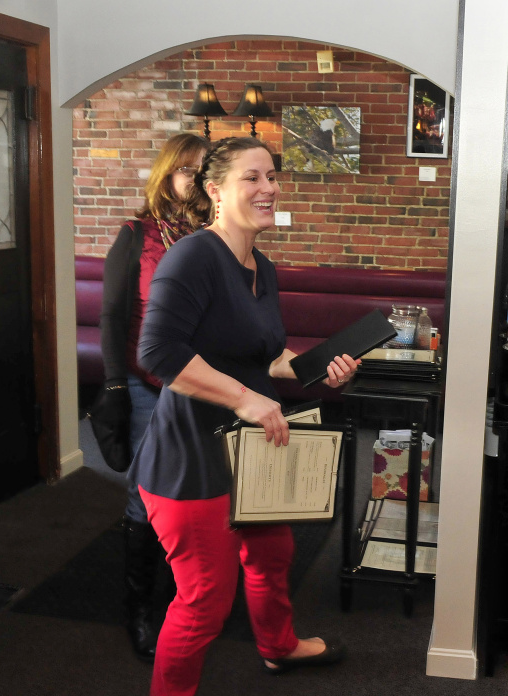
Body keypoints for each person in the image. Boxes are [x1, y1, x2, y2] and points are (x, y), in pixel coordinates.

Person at [130, 137, 357, 695]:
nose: (268, 188)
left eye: (272, 176)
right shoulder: (194, 255)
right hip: (193, 457)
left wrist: (314, 369)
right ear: (215, 190)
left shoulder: (262, 267)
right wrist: (243, 399)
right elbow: (157, 354)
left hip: (250, 449)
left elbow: (263, 356)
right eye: (252, 178)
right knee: (206, 598)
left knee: (272, 552)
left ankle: (279, 646)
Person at [99, 132, 208, 661]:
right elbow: (112, 315)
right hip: (147, 386)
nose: (195, 181)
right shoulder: (136, 234)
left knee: (192, 492)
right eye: (187, 170)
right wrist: (115, 385)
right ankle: (141, 611)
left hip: (204, 386)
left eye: (203, 172)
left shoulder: (212, 237)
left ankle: (183, 600)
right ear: (166, 174)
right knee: (146, 496)